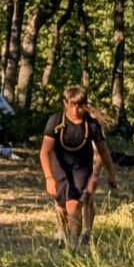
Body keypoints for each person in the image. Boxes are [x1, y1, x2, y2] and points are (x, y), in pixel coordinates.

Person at [40, 84, 113, 245]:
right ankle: (62, 232)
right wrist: (48, 177)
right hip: (59, 166)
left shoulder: (92, 125)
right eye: (72, 105)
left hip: (81, 168)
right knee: (61, 204)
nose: (75, 110)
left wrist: (108, 174)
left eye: (80, 106)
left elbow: (103, 152)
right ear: (65, 103)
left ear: (85, 105)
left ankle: (74, 245)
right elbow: (45, 151)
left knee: (74, 206)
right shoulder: (55, 121)